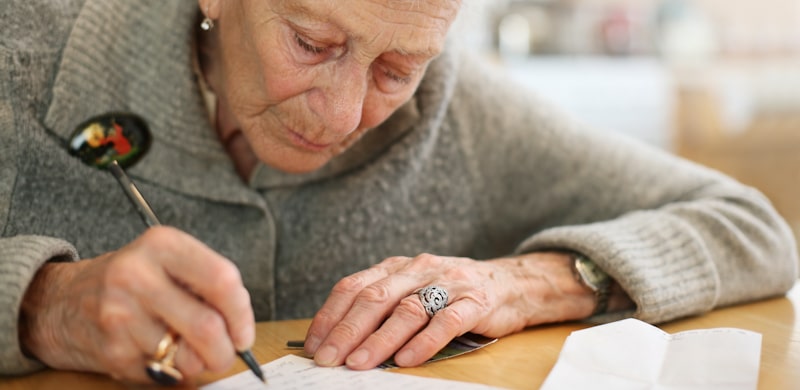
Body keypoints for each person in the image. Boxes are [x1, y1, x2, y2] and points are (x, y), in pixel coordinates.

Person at [1, 0, 797, 385]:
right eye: (312, 43)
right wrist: (40, 305)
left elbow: (751, 227)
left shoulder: (453, 109)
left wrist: (528, 280)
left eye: (396, 68)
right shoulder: (23, 50)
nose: (346, 115)